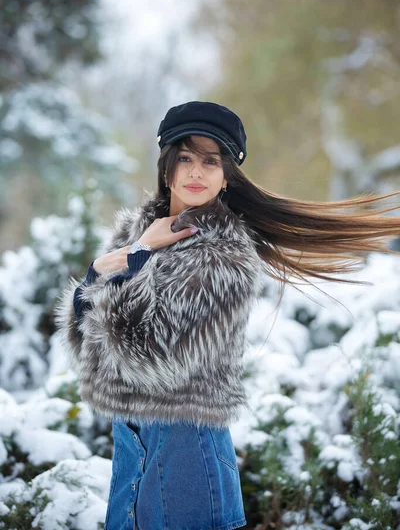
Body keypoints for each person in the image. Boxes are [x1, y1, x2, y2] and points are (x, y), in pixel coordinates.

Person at [54, 100, 400, 530]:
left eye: (210, 161)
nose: (196, 172)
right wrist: (99, 272)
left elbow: (151, 360)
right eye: (185, 158)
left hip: (186, 453)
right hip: (131, 446)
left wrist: (134, 258)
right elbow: (88, 354)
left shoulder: (224, 256)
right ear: (166, 169)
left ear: (225, 177)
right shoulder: (135, 233)